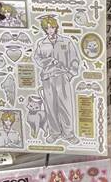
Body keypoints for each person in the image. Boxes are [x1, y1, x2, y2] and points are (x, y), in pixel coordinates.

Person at [34, 16, 80, 144]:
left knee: (65, 107)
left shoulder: (66, 41)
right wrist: (49, 61)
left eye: (52, 27)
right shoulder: (41, 43)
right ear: (44, 29)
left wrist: (70, 74)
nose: (50, 30)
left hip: (62, 77)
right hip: (47, 78)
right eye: (47, 28)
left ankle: (69, 134)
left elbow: (74, 59)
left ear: (56, 27)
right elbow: (37, 58)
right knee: (50, 107)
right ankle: (54, 133)